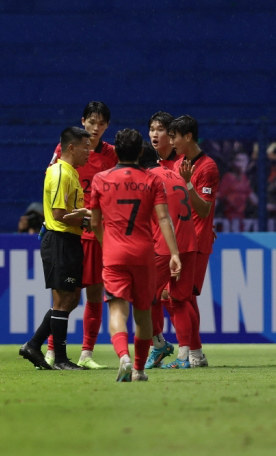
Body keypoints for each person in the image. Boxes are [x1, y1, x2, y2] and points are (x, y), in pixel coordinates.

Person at [89, 128, 181, 382]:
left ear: (116, 151)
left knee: (117, 311)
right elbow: (163, 218)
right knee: (143, 313)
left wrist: (106, 243)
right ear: (141, 152)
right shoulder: (152, 180)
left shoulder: (100, 179)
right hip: (144, 253)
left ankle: (124, 358)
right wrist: (174, 253)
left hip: (115, 254)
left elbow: (95, 222)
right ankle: (139, 370)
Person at [46, 101, 117, 369]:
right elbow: (52, 180)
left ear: (107, 126)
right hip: (71, 230)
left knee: (96, 293)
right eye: (92, 122)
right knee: (66, 295)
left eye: (101, 123)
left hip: (97, 233)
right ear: (83, 121)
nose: (96, 128)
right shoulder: (66, 151)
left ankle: (87, 353)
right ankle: (52, 349)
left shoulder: (112, 154)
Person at [18, 127, 91, 371]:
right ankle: (60, 359)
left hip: (68, 240)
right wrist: (88, 219)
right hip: (60, 239)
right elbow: (60, 215)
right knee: (63, 301)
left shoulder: (70, 172)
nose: (88, 152)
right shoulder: (61, 172)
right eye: (85, 147)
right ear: (71, 147)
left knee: (70, 299)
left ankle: (33, 344)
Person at [139, 142, 200, 370]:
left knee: (146, 297)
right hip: (188, 242)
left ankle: (158, 344)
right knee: (179, 300)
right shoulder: (173, 174)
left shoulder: (148, 179)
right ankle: (184, 356)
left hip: (165, 245)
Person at [171, 115, 220, 367]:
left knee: (183, 297)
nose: (172, 141)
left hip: (197, 241)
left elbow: (202, 210)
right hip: (180, 238)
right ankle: (194, 354)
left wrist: (189, 183)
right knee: (184, 297)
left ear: (188, 136)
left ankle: (191, 353)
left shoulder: (208, 167)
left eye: (174, 137)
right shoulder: (179, 162)